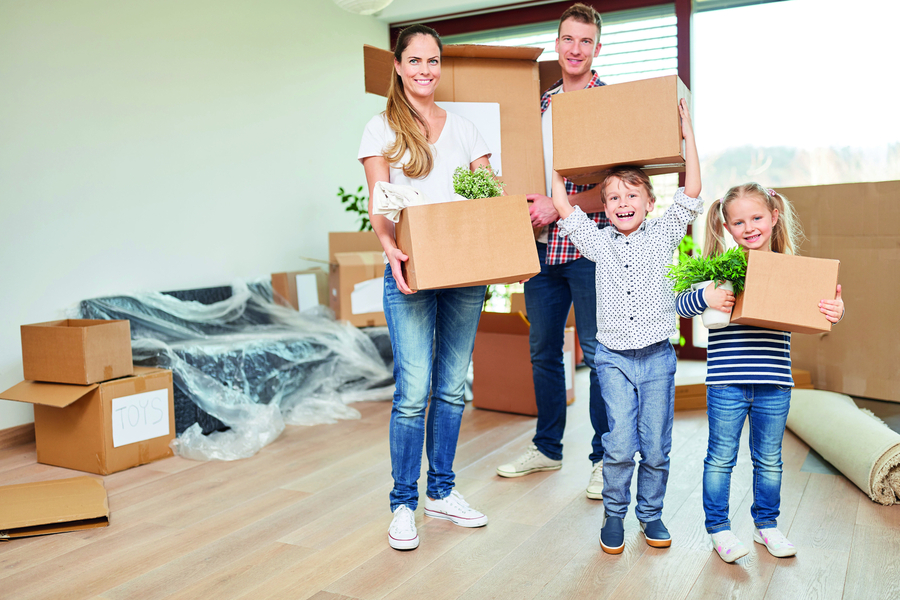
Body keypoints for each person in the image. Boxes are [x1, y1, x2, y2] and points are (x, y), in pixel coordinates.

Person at [358, 24, 492, 551]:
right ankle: (402, 505)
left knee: (453, 387)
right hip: (410, 269)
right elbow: (380, 205)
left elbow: (487, 196)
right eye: (414, 61)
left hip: (463, 275)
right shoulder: (380, 129)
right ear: (398, 66)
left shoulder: (464, 130)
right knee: (413, 394)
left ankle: (442, 491)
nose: (425, 71)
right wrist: (390, 251)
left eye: (433, 61)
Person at [550, 99, 701, 554]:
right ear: (604, 207)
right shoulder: (597, 244)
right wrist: (561, 153)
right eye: (613, 197)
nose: (622, 203)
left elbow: (692, 190)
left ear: (650, 203)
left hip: (657, 357)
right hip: (612, 359)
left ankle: (650, 515)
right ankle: (613, 516)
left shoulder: (664, 233)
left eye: (632, 195)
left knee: (655, 446)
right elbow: (561, 204)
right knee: (618, 444)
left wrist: (686, 132)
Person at [676, 183, 844, 563]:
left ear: (774, 217)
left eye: (756, 218)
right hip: (726, 383)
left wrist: (837, 310)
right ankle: (718, 529)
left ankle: (766, 525)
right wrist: (706, 297)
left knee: (769, 459)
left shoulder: (791, 271)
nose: (749, 227)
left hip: (775, 383)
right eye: (739, 221)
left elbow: (821, 309)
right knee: (720, 458)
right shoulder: (719, 269)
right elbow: (682, 304)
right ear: (727, 226)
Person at [496, 2, 610, 503]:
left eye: (586, 41)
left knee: (601, 354)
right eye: (568, 39)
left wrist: (557, 207)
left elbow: (621, 185)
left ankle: (605, 458)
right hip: (538, 250)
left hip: (588, 246)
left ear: (597, 48)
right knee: (543, 351)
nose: (575, 49)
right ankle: (547, 447)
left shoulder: (612, 104)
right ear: (557, 43)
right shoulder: (539, 106)